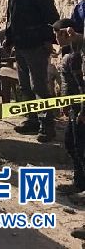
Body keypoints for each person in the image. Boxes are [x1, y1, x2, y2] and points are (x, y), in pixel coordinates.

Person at [3, 0, 59, 142]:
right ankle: (32, 119)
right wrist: (9, 39)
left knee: (39, 86)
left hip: (35, 45)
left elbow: (51, 17)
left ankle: (47, 125)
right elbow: (11, 18)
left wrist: (47, 40)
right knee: (25, 86)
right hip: (21, 45)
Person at [53, 19, 85, 196]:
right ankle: (79, 182)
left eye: (58, 34)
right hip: (73, 108)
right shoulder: (68, 53)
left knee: (80, 148)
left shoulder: (76, 57)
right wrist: (64, 102)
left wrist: (83, 111)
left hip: (80, 110)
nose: (56, 39)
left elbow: (81, 86)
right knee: (71, 143)